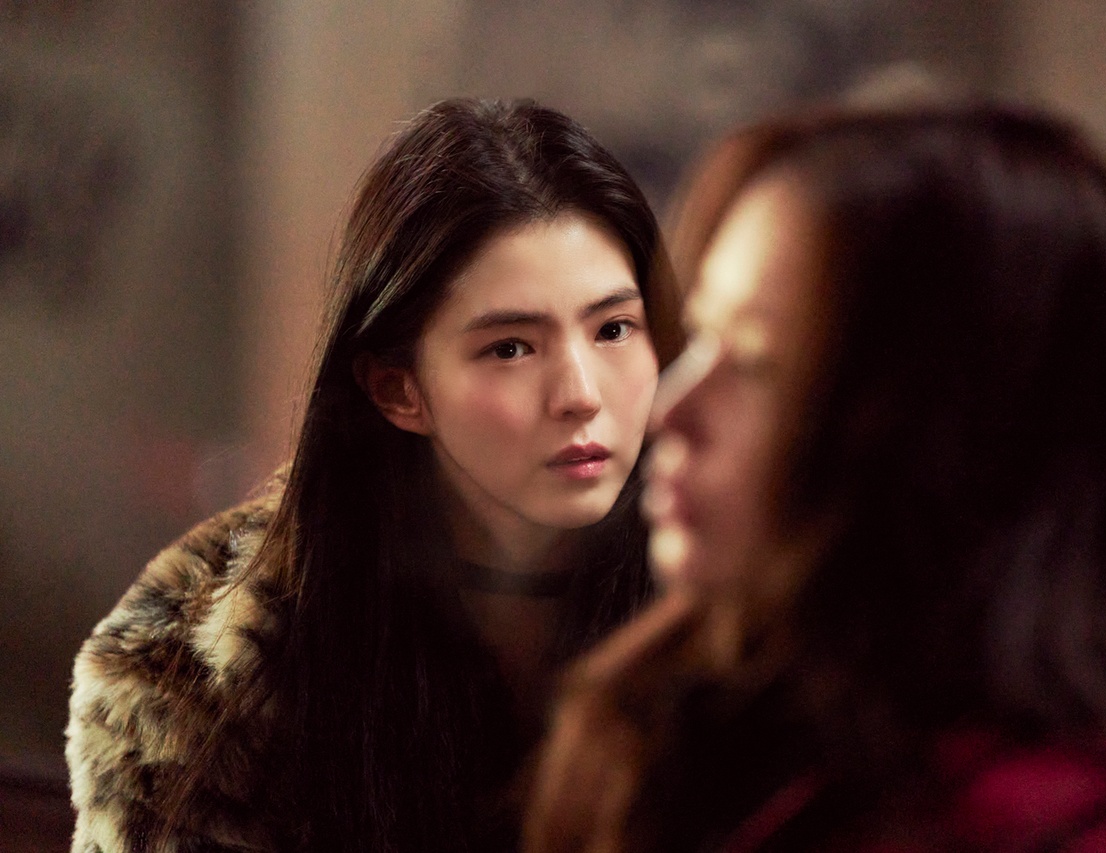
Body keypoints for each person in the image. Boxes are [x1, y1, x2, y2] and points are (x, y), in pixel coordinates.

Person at [524, 98, 1106, 852]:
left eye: (753, 360)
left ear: (952, 430)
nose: (668, 410)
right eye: (701, 336)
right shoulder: (696, 726)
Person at [65, 97, 683, 853]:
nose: (581, 394)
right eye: (511, 348)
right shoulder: (203, 694)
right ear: (398, 389)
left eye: (613, 328)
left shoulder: (738, 621)